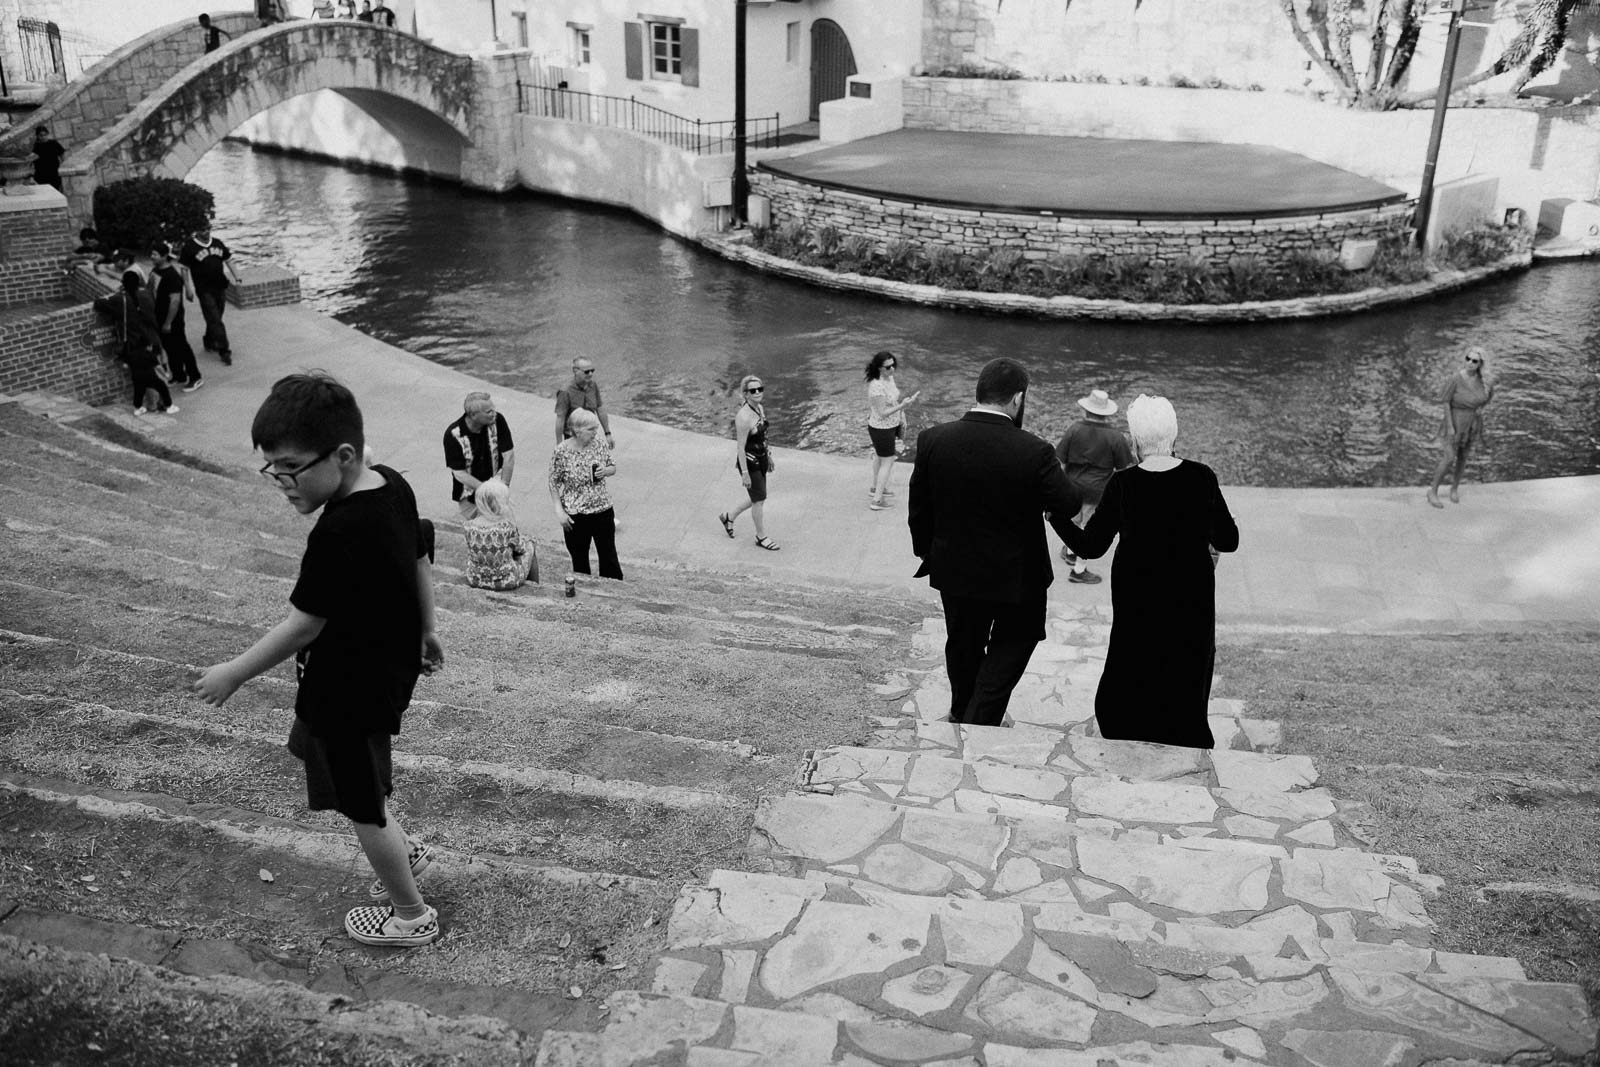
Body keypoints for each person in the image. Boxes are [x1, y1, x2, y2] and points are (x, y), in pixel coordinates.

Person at [194, 373, 445, 948]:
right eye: (271, 467)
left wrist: (233, 672)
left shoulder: (338, 532)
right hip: (381, 674)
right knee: (355, 772)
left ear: (344, 454)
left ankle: (410, 916)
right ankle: (404, 851)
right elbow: (421, 549)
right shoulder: (392, 484)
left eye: (289, 467)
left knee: (362, 805)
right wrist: (428, 627)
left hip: (348, 692)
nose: (279, 481)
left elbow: (303, 623)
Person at [908, 358, 1080, 726]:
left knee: (963, 644)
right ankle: (978, 719)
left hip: (954, 569)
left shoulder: (933, 440)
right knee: (1016, 642)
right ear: (1017, 399)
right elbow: (1068, 503)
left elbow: (918, 511)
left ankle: (960, 710)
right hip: (1018, 577)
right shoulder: (1035, 451)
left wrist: (931, 553)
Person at [1059, 394, 1239, 749]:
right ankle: (1182, 729)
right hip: (1191, 588)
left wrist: (1056, 518)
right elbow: (1228, 540)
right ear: (1173, 437)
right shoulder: (1202, 478)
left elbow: (1091, 546)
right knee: (1186, 654)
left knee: (1135, 652)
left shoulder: (1123, 485)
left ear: (1135, 440)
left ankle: (1128, 723)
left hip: (1137, 588)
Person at [1054, 388, 1135, 585]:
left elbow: (1060, 458)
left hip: (1072, 487)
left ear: (1086, 410)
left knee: (1073, 523)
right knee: (1089, 533)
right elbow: (1124, 467)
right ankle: (1079, 571)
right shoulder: (1115, 437)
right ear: (1106, 413)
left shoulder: (1074, 429)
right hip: (1098, 491)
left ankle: (1071, 551)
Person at [548, 409, 622, 580]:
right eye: (591, 429)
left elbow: (612, 466)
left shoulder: (599, 443)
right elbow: (553, 482)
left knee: (609, 555)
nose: (596, 432)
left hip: (601, 508)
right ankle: (583, 591)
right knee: (579, 559)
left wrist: (606, 471)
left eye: (596, 428)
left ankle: (613, 590)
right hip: (576, 513)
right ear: (577, 430)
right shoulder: (561, 451)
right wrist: (559, 511)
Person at [95, 271, 176, 416]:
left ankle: (153, 404)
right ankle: (164, 401)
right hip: (153, 338)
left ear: (123, 284)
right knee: (157, 372)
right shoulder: (146, 294)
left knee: (144, 376)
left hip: (135, 344)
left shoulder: (120, 299)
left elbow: (99, 304)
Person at [717, 374, 780, 550]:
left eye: (760, 389)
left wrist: (769, 455)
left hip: (761, 458)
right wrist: (744, 473)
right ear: (745, 394)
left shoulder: (759, 408)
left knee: (758, 496)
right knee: (759, 499)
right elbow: (740, 447)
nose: (758, 393)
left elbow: (764, 436)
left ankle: (729, 516)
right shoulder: (743, 417)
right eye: (753, 390)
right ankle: (761, 537)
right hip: (750, 461)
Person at [1427, 346, 1495, 508]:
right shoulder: (1455, 379)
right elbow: (1445, 402)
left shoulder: (1484, 381)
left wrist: (1479, 409)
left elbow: (1488, 397)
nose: (1470, 363)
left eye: (1474, 361)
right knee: (1449, 457)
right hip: (1455, 420)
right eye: (1468, 359)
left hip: (1472, 423)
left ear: (1480, 364)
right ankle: (1433, 491)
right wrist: (1450, 427)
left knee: (1463, 457)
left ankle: (1454, 488)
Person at [443, 391, 515, 520]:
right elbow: (459, 473)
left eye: (493, 409)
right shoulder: (454, 435)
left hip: (496, 484)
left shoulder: (498, 421)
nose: (494, 413)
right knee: (479, 530)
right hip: (470, 494)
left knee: (502, 525)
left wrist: (503, 488)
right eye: (488, 412)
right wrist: (487, 490)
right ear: (473, 415)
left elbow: (508, 456)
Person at [864, 350, 920, 511]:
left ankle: (876, 488)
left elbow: (892, 401)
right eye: (888, 367)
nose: (892, 369)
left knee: (879, 458)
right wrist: (902, 406)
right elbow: (881, 413)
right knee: (887, 461)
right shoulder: (876, 387)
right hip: (881, 428)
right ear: (879, 368)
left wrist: (903, 404)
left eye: (893, 365)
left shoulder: (889, 379)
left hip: (891, 425)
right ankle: (877, 500)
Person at [178, 225, 240, 365]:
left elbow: (229, 260)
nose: (205, 232)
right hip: (204, 289)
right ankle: (224, 350)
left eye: (207, 229)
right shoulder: (189, 247)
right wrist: (188, 288)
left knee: (216, 315)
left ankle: (209, 339)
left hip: (220, 286)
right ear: (197, 231)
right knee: (214, 318)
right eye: (202, 229)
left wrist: (238, 278)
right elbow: (184, 268)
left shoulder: (217, 243)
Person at [464, 478, 538, 590]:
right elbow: (521, 548)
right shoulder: (506, 527)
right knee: (530, 544)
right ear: (499, 504)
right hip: (506, 580)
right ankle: (534, 588)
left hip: (475, 578)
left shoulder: (468, 526)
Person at [151, 242, 202, 393]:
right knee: (169, 348)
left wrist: (168, 322)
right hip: (159, 316)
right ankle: (179, 375)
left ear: (164, 256)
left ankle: (195, 377)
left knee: (182, 347)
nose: (152, 257)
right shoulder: (155, 270)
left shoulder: (172, 277)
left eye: (155, 254)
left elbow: (175, 301)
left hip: (172, 320)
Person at [553, 357, 613, 446]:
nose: (590, 374)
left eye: (592, 370)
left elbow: (600, 409)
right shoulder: (565, 391)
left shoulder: (593, 385)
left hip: (591, 434)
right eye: (586, 371)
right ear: (575, 371)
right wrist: (559, 445)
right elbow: (560, 418)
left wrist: (608, 434)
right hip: (572, 437)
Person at [31, 126, 65, 192]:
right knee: (45, 192)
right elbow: (30, 159)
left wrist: (63, 165)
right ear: (37, 136)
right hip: (41, 174)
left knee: (56, 191)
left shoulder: (53, 143)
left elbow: (62, 153)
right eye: (41, 135)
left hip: (54, 172)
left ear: (47, 134)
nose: (43, 137)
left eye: (45, 135)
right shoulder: (35, 146)